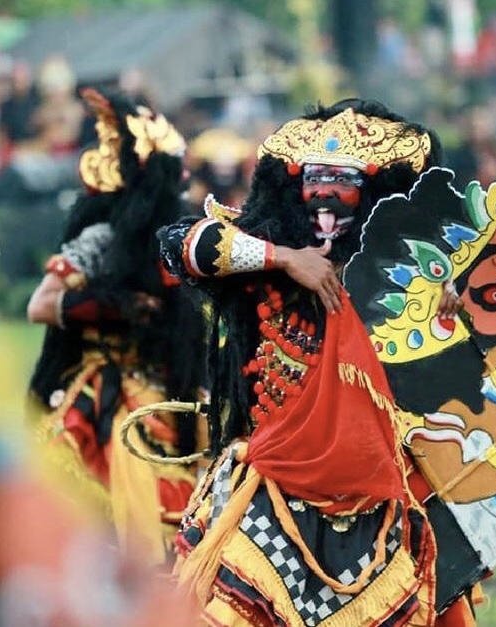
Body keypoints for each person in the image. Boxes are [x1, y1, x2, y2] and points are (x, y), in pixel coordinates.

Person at [159, 99, 473, 626]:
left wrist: (446, 305)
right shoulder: (264, 258)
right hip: (271, 496)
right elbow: (176, 246)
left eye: (343, 179)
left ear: (376, 195)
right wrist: (284, 259)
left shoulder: (407, 280)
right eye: (313, 178)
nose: (324, 192)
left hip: (380, 504)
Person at [26, 88, 205, 565]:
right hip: (100, 395)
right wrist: (114, 304)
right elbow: (40, 306)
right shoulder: (102, 239)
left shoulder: (175, 241)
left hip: (163, 393)